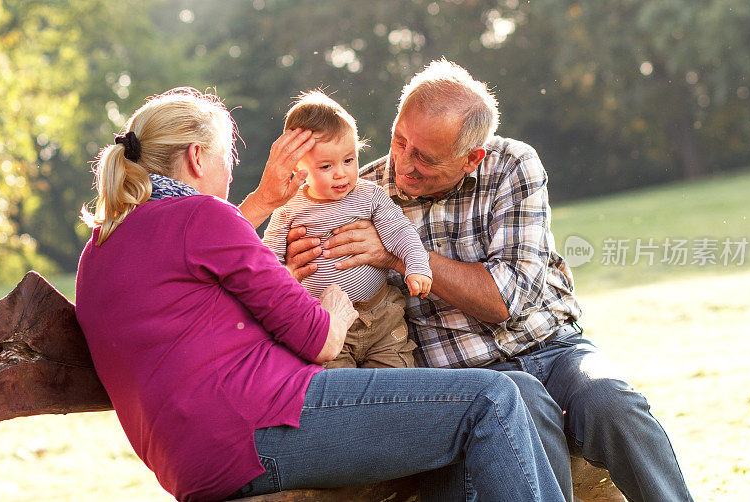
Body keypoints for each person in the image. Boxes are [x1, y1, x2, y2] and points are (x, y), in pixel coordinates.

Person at [74, 87, 565, 502]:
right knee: (495, 397)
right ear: (197, 157)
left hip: (192, 455)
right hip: (261, 424)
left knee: (513, 392)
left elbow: (202, 270)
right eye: (229, 157)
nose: (230, 172)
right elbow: (323, 341)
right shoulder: (201, 218)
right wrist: (337, 287)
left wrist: (273, 241)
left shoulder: (101, 246)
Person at [286, 60, 694, 502]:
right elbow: (309, 279)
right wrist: (298, 265)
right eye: (400, 141)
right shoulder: (357, 191)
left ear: (471, 157)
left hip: (554, 347)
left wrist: (397, 254)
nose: (404, 164)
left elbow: (504, 299)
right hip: (468, 374)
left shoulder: (513, 166)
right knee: (525, 409)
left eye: (425, 157)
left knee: (614, 404)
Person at [262, 91, 431, 369]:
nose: (341, 173)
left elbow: (401, 231)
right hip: (324, 324)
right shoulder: (289, 208)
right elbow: (268, 259)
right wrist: (287, 280)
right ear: (298, 167)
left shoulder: (369, 196)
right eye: (326, 166)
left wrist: (416, 265)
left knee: (395, 387)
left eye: (349, 160)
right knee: (338, 391)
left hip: (381, 318)